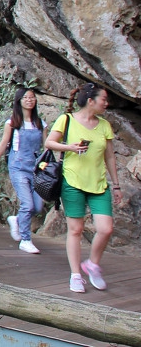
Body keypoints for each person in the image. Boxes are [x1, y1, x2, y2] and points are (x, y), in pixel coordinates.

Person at [43, 83, 123, 293]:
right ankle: (76, 275)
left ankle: (93, 264)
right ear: (91, 101)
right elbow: (49, 143)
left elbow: (109, 157)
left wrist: (116, 185)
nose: (107, 103)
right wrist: (69, 147)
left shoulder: (104, 125)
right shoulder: (66, 119)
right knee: (76, 230)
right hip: (73, 181)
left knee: (106, 228)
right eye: (103, 99)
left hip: (98, 183)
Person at [0, 87, 45, 254]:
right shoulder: (12, 123)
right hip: (18, 167)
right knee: (27, 204)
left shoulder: (40, 123)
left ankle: (16, 220)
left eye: (32, 97)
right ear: (19, 101)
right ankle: (25, 240)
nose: (30, 100)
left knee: (37, 206)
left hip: (36, 168)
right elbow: (3, 143)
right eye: (26, 97)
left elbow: (47, 146)